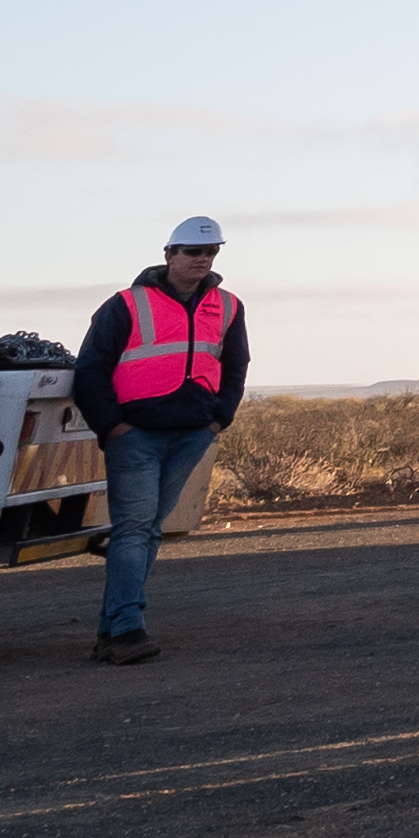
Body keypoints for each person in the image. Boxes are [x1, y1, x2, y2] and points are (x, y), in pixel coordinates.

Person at [72, 217, 251, 666]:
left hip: (192, 434)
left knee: (148, 529)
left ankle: (111, 633)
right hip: (136, 435)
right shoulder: (127, 305)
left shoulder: (228, 307)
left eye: (210, 253)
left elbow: (235, 367)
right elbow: (90, 369)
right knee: (134, 529)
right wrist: (113, 426)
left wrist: (218, 421)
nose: (202, 259)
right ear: (169, 253)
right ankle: (129, 629)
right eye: (192, 251)